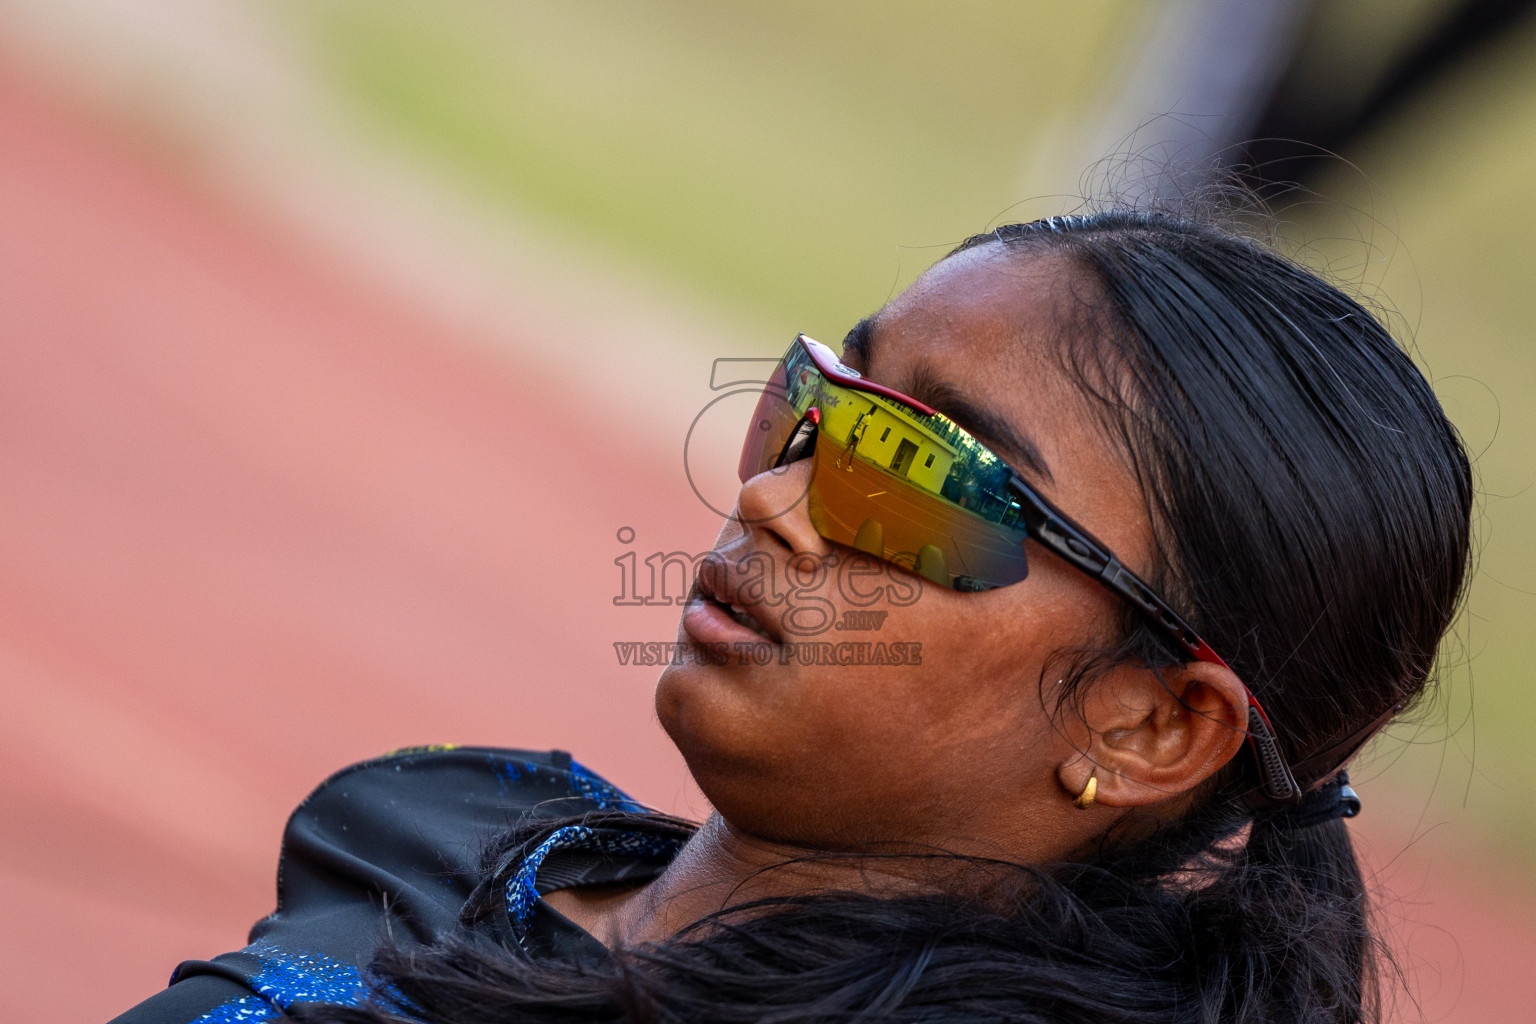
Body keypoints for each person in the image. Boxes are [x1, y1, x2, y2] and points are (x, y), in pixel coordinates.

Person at [110, 211, 1473, 1024]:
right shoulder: (437, 831)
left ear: (1157, 721)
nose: (775, 499)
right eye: (816, 406)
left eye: (921, 478)